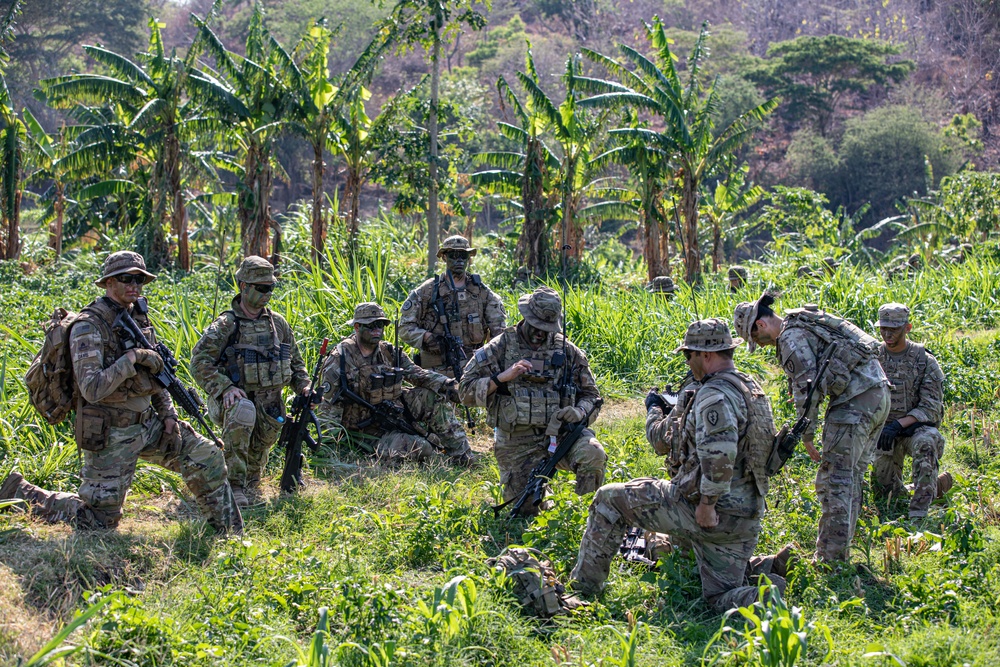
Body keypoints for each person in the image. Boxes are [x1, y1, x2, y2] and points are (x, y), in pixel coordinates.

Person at [1, 251, 241, 533]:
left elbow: (158, 376)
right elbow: (92, 389)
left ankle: (229, 535)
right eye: (126, 279)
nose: (134, 286)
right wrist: (131, 359)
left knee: (207, 456)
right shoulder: (88, 327)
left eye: (139, 280)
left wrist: (168, 415)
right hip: (110, 430)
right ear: (107, 283)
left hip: (147, 423)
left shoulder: (138, 317)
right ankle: (21, 492)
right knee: (98, 522)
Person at [569, 319, 788, 610]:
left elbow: (719, 455)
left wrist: (707, 504)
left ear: (706, 355)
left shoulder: (713, 396)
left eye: (689, 355)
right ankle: (767, 582)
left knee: (609, 499)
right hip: (745, 516)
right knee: (715, 597)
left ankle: (583, 591)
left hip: (711, 511)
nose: (688, 362)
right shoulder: (750, 387)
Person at [734, 294, 889, 563]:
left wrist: (806, 436)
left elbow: (807, 387)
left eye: (756, 339)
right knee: (851, 476)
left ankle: (831, 561)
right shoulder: (804, 322)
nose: (760, 345)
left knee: (834, 481)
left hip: (855, 403)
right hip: (878, 393)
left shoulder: (790, 338)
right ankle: (841, 552)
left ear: (760, 325)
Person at [458, 286, 606, 515]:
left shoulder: (566, 351)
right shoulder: (501, 347)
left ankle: (584, 517)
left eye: (546, 328)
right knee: (525, 511)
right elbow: (464, 390)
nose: (541, 333)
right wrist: (501, 378)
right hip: (518, 441)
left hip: (562, 434)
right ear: (525, 317)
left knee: (593, 454)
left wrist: (580, 412)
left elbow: (592, 396)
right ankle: (543, 497)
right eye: (536, 326)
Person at [190, 256, 311, 507]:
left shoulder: (277, 324)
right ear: (243, 286)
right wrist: (224, 388)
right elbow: (199, 362)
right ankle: (234, 485)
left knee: (255, 470)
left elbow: (296, 363)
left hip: (269, 405)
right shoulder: (226, 325)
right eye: (262, 288)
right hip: (236, 402)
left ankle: (248, 475)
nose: (268, 293)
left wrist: (305, 386)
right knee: (243, 412)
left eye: (271, 288)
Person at [316, 302, 474, 465]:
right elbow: (328, 407)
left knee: (432, 397)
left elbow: (416, 374)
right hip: (364, 433)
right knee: (423, 447)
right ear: (357, 327)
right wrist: (331, 447)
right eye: (371, 325)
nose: (377, 329)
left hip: (393, 415)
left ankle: (463, 456)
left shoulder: (388, 351)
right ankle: (429, 456)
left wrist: (449, 386)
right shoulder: (340, 359)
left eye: (381, 324)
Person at [873, 303, 952, 518]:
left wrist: (899, 425)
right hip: (883, 433)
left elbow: (931, 407)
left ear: (907, 328)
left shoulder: (925, 360)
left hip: (915, 431)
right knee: (886, 492)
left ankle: (919, 515)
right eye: (883, 329)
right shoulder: (872, 358)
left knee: (927, 442)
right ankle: (935, 486)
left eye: (894, 329)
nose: (887, 334)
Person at [398, 235, 506, 378]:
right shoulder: (427, 291)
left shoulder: (482, 292)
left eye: (463, 255)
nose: (459, 260)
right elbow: (405, 327)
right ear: (444, 257)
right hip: (436, 372)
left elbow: (499, 333)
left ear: (468, 257)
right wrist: (426, 337)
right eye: (453, 255)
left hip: (474, 369)